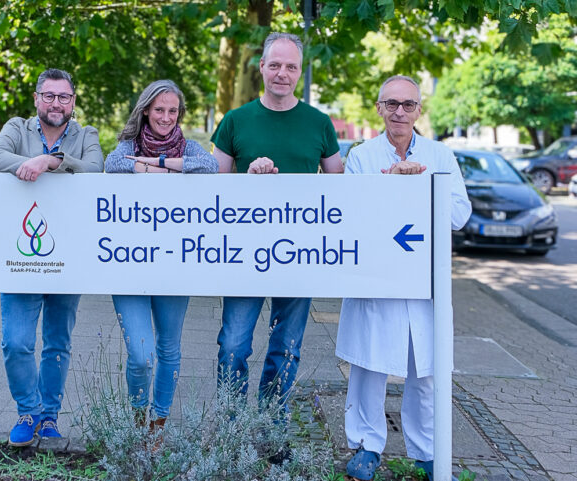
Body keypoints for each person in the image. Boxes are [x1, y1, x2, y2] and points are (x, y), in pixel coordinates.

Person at [335, 75, 471, 481]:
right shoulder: (361, 156)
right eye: (391, 104)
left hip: (423, 278)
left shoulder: (440, 156)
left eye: (408, 104)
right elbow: (354, 213)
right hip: (377, 275)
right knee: (369, 367)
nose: (399, 112)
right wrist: (391, 185)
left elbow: (459, 214)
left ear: (419, 110)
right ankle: (366, 446)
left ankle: (429, 453)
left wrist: (421, 187)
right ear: (378, 108)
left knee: (426, 369)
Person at [211, 32, 343, 411]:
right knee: (233, 344)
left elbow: (339, 187)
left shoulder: (319, 123)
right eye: (274, 65)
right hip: (243, 252)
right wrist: (246, 178)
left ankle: (273, 429)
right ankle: (231, 429)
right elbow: (212, 188)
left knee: (286, 348)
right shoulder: (235, 120)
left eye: (290, 66)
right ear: (262, 68)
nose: (282, 73)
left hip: (301, 252)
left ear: (300, 72)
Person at [0, 68, 104, 446]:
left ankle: (50, 417)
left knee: (57, 342)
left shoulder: (86, 136)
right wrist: (32, 161)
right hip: (21, 254)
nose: (57, 103)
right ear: (37, 98)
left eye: (64, 97)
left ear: (73, 100)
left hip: (68, 255)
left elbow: (95, 169)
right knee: (16, 341)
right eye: (49, 96)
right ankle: (29, 411)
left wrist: (50, 161)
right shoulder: (17, 129)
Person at [105, 79, 217, 436]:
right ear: (145, 112)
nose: (166, 117)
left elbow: (211, 168)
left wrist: (153, 163)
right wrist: (150, 168)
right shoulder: (125, 147)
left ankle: (158, 425)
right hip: (129, 263)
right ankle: (138, 419)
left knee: (169, 349)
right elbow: (112, 165)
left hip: (173, 263)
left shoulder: (193, 148)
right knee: (141, 354)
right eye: (159, 110)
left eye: (172, 110)